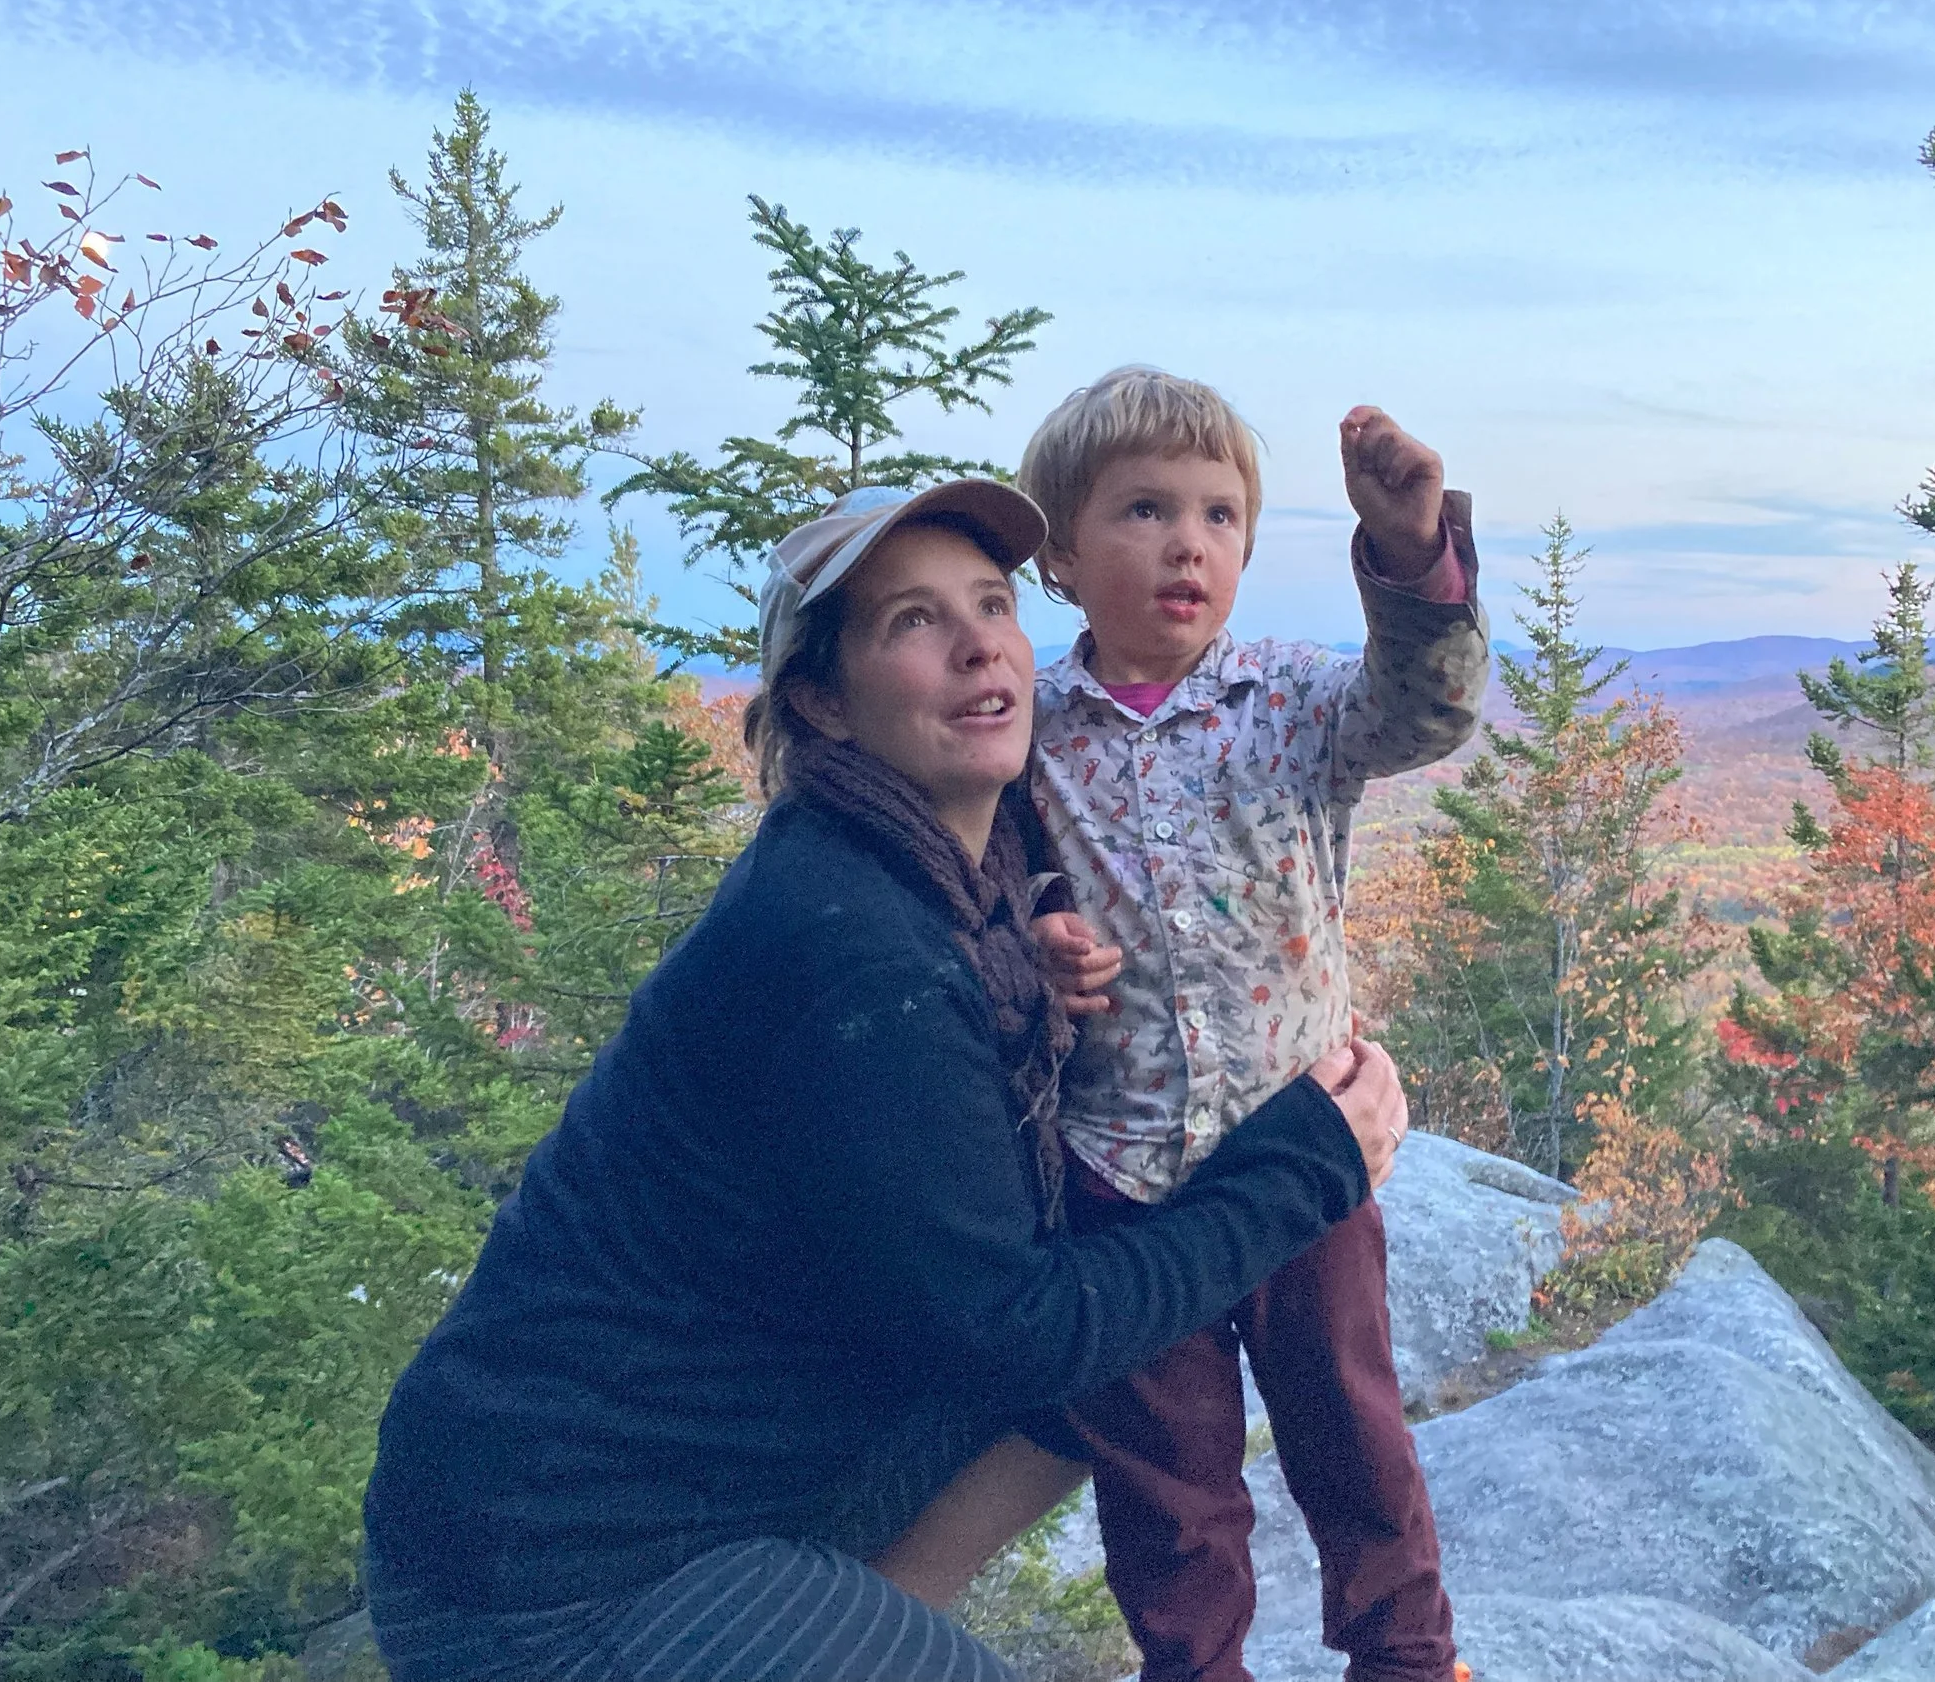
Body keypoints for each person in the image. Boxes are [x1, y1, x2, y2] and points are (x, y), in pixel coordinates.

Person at [361, 477, 1414, 1682]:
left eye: (991, 604)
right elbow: (1021, 1333)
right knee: (1091, 1339)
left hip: (714, 1485)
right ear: (824, 701)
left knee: (1123, 1353)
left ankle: (842, 1626)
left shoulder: (956, 892)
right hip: (553, 1573)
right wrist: (1308, 1168)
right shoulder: (850, 941)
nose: (979, 645)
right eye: (914, 622)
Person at [1016, 369, 1490, 1682]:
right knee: (1168, 1494)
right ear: (1060, 551)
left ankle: (1408, 1654)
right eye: (1146, 509)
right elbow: (985, 887)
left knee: (1355, 1434)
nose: (1189, 540)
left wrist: (1408, 551)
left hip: (1301, 1149)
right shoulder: (1030, 732)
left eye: (1222, 514)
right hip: (1123, 1175)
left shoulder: (1285, 697)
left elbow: (1425, 710)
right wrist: (1034, 939)